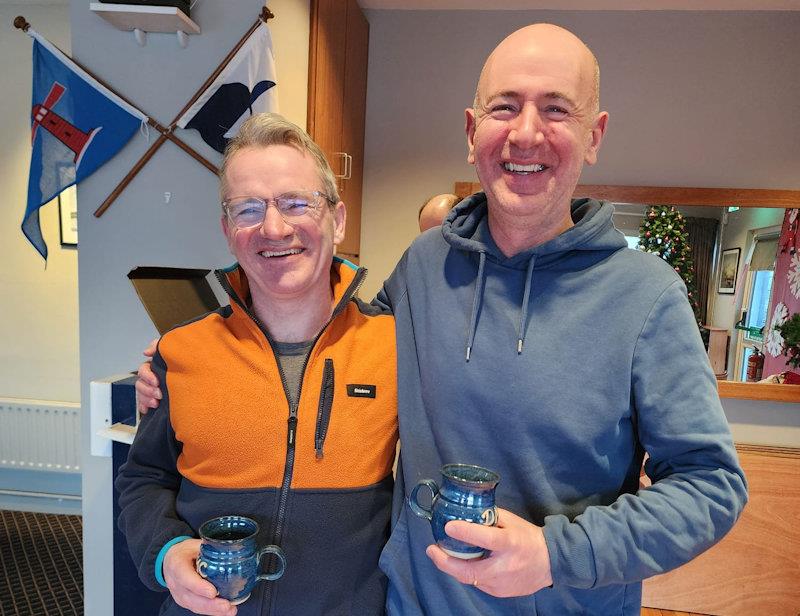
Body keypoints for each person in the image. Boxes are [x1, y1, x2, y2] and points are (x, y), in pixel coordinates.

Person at [137, 23, 748, 616]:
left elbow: (711, 487)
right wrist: (185, 364)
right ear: (471, 129)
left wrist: (554, 554)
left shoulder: (647, 296)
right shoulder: (426, 266)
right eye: (505, 107)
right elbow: (331, 338)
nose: (526, 134)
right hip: (408, 604)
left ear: (595, 134)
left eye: (557, 109)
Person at [117, 113, 398, 616]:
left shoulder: (394, 346)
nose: (273, 227)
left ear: (337, 219)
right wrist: (166, 551)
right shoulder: (179, 351)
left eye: (296, 203)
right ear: (228, 230)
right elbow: (144, 480)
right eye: (248, 209)